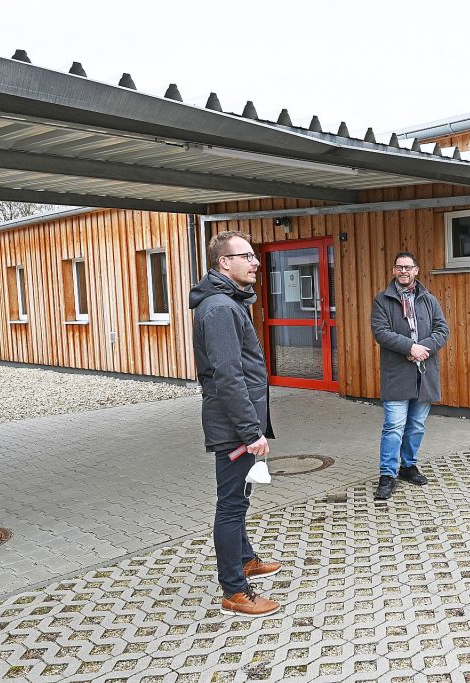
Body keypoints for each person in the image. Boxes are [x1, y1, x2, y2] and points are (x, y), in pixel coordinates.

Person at [190, 230, 282, 616]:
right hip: (233, 428)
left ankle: (245, 558)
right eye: (246, 256)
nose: (255, 262)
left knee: (240, 498)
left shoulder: (229, 302)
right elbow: (228, 376)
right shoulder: (219, 308)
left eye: (254, 256)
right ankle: (234, 590)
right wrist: (250, 432)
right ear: (223, 263)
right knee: (230, 506)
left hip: (237, 423)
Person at [370, 251, 449, 500]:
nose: (403, 271)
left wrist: (423, 348)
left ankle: (407, 466)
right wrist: (409, 347)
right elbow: (380, 332)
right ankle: (387, 475)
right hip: (397, 374)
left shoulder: (429, 300)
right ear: (394, 271)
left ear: (416, 270)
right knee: (393, 426)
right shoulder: (382, 300)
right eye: (399, 267)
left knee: (416, 425)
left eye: (408, 267)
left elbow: (442, 329)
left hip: (424, 373)